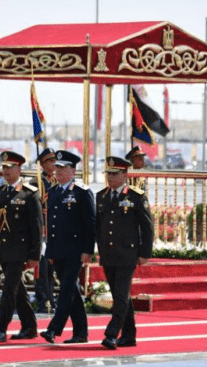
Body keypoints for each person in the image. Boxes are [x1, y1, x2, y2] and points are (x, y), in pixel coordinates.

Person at [96, 157, 154, 350]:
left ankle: (112, 334)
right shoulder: (102, 196)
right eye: (108, 174)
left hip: (127, 253)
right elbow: (98, 227)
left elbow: (147, 227)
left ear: (125, 175)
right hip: (108, 254)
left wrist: (145, 252)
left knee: (120, 296)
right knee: (121, 296)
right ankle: (129, 335)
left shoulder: (136, 196)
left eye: (115, 174)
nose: (110, 178)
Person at [0, 152, 42, 343]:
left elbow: (36, 227)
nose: (6, 171)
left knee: (9, 289)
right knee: (18, 289)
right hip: (4, 249)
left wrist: (35, 255)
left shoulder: (29, 193)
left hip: (20, 250)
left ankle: (1, 328)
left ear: (19, 169)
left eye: (10, 167)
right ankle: (30, 326)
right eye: (4, 167)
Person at [40, 150, 95, 345]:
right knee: (71, 292)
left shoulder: (82, 192)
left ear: (73, 170)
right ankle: (81, 332)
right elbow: (52, 225)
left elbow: (90, 224)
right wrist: (51, 252)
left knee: (66, 290)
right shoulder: (54, 192)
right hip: (59, 250)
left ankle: (54, 328)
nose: (59, 172)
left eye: (64, 168)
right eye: (57, 168)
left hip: (75, 250)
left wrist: (88, 250)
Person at [29, 147, 57, 314]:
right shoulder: (36, 183)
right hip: (42, 229)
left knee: (52, 268)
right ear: (42, 164)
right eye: (49, 161)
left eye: (54, 161)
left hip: (54, 229)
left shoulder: (56, 181)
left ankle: (51, 299)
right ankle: (43, 300)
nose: (53, 164)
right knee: (42, 267)